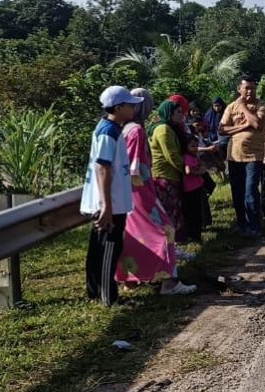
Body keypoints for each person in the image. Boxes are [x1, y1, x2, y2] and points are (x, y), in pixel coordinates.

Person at [115, 89, 195, 295]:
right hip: (140, 191)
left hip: (125, 191)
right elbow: (134, 167)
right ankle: (169, 282)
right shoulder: (137, 131)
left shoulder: (122, 129)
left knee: (132, 235)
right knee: (165, 229)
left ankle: (129, 279)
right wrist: (144, 192)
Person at [82, 86, 140, 305]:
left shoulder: (110, 128)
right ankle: (108, 297)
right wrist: (106, 206)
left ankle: (96, 292)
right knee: (108, 249)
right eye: (129, 104)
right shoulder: (109, 131)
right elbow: (102, 167)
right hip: (109, 203)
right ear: (118, 107)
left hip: (111, 201)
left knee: (99, 248)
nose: (133, 107)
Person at [220, 76, 265, 236]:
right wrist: (243, 126)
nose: (250, 91)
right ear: (239, 89)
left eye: (252, 88)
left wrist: (244, 107)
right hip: (234, 156)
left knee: (250, 191)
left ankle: (254, 225)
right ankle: (241, 223)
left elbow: (257, 124)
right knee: (237, 191)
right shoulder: (231, 107)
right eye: (246, 88)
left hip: (253, 156)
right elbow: (221, 130)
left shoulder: (262, 105)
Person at [150, 99, 190, 242]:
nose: (182, 116)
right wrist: (188, 170)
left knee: (173, 211)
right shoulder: (163, 130)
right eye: (178, 112)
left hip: (170, 176)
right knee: (169, 213)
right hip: (164, 177)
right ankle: (169, 246)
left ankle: (172, 246)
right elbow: (171, 155)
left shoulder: (169, 127)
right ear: (169, 113)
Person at [181, 134, 209, 242]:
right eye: (192, 146)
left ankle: (196, 234)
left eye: (196, 146)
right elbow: (188, 171)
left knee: (197, 211)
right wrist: (199, 172)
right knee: (194, 213)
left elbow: (202, 164)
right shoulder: (187, 158)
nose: (195, 148)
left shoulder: (194, 156)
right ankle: (194, 236)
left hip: (197, 186)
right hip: (191, 188)